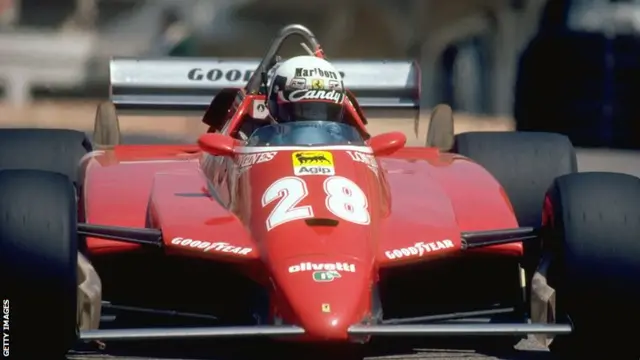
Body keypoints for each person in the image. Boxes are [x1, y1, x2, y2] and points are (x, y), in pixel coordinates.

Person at [246, 55, 357, 146]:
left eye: (321, 111)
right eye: (305, 110)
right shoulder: (257, 141)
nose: (313, 119)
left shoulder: (348, 142)